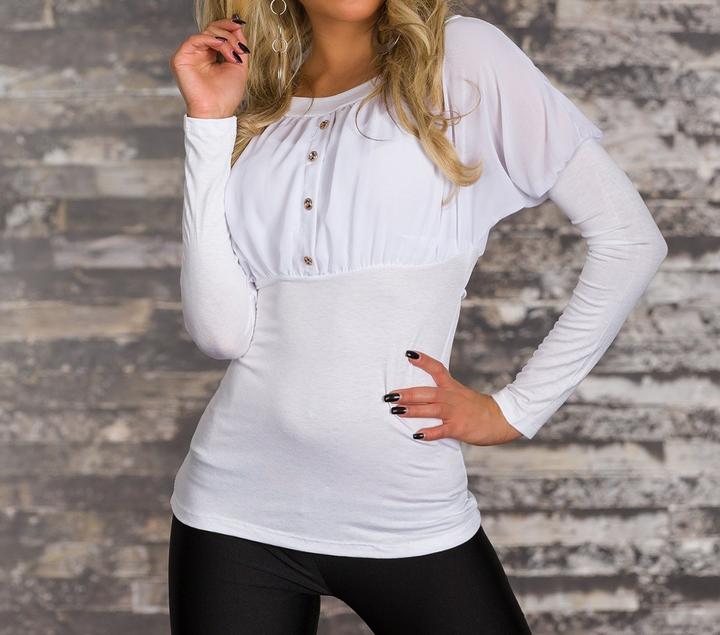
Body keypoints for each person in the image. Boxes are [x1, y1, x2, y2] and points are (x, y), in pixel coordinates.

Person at [166, 1, 668, 633]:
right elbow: (219, 334)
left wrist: (516, 409)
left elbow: (630, 240)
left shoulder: (463, 57)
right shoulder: (260, 106)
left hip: (405, 508)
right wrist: (209, 124)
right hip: (231, 508)